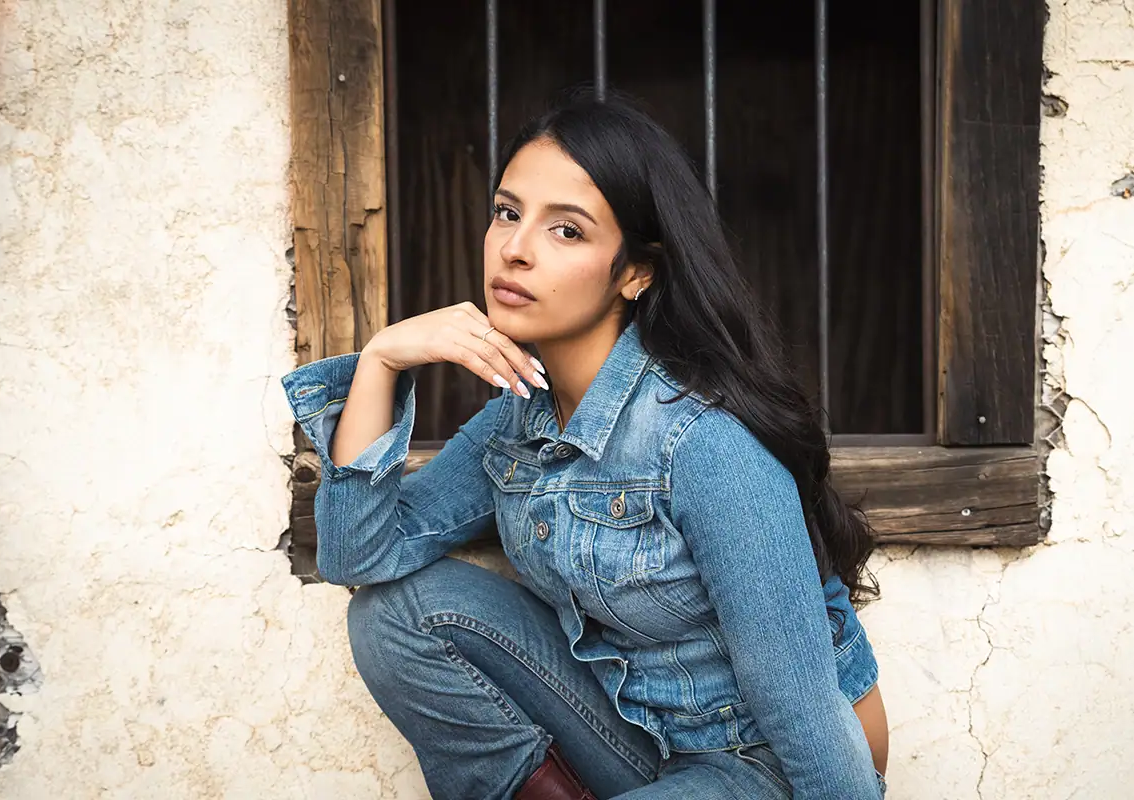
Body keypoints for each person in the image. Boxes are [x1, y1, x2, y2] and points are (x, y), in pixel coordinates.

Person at [282, 93, 889, 799]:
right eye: (507, 212)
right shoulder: (520, 419)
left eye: (566, 231)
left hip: (761, 764)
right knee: (393, 615)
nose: (515, 248)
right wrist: (382, 359)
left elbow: (802, 713)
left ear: (636, 272)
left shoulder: (703, 440)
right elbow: (358, 555)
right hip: (643, 739)